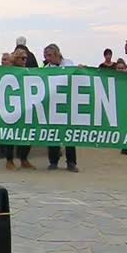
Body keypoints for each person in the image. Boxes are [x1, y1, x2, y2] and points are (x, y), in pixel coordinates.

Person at [43, 43, 79, 172]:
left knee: (69, 133)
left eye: (50, 55)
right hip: (54, 103)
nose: (48, 58)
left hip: (68, 103)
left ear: (57, 54)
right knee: (52, 134)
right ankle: (53, 161)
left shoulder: (69, 64)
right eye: (46, 56)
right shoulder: (46, 69)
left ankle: (71, 162)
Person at [1, 49, 36, 170]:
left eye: (26, 58)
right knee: (10, 135)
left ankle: (24, 159)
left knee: (27, 134)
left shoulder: (28, 72)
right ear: (16, 59)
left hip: (25, 107)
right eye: (22, 58)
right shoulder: (9, 72)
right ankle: (9, 160)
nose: (25, 61)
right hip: (12, 107)